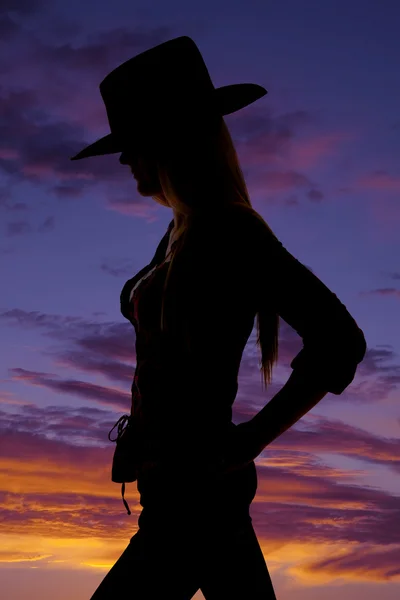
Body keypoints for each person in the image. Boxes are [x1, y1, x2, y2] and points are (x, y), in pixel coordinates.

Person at [70, 36, 366, 600]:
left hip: (196, 496)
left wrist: (248, 441)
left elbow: (339, 339)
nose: (126, 158)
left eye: (133, 143)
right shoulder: (177, 234)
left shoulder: (230, 230)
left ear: (170, 140)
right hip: (181, 492)